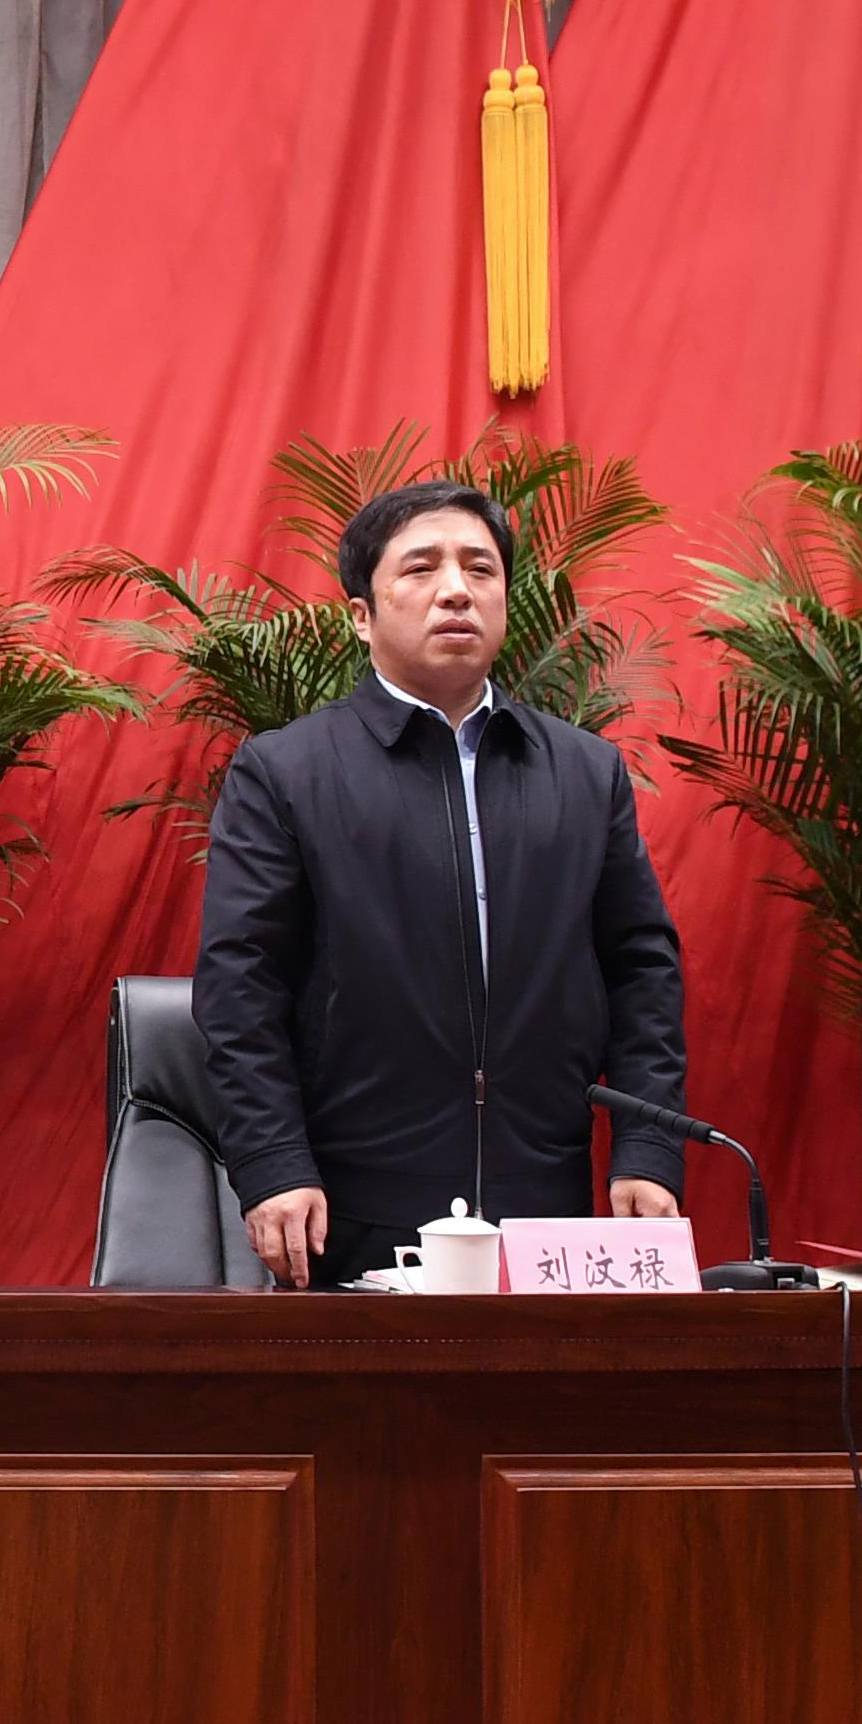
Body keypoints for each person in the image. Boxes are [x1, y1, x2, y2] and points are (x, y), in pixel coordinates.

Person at [200, 478, 688, 1288]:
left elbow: (642, 969)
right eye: (422, 568)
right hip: (352, 1203)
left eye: (480, 569)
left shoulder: (583, 771)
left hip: (545, 1199)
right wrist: (274, 1159)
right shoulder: (287, 771)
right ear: (362, 615)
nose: (457, 590)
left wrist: (648, 1144)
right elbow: (239, 984)